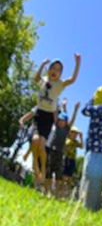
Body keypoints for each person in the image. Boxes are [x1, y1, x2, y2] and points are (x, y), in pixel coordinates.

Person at [31, 55, 81, 188]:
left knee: (41, 143)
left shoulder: (59, 84)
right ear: (49, 70)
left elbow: (73, 79)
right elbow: (35, 78)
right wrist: (42, 64)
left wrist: (77, 63)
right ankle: (36, 165)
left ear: (60, 74)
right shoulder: (44, 79)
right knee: (35, 141)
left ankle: (42, 171)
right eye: (53, 68)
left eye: (58, 70)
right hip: (39, 113)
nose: (55, 71)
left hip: (48, 117)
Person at [79, 86, 102, 211]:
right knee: (96, 181)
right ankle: (93, 207)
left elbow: (84, 110)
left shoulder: (97, 108)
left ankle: (85, 205)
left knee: (87, 177)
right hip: (101, 152)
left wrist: (91, 101)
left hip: (92, 150)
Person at [45, 101, 80, 198]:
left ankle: (57, 194)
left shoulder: (66, 129)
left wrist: (76, 109)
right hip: (52, 151)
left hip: (60, 154)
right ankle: (47, 191)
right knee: (48, 171)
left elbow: (72, 119)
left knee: (58, 174)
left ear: (65, 122)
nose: (60, 122)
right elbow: (55, 113)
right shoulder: (56, 125)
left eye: (62, 121)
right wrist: (56, 103)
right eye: (59, 120)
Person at [62, 125, 83, 198]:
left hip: (72, 160)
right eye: (73, 132)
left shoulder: (76, 142)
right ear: (70, 133)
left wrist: (81, 137)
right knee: (64, 177)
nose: (75, 134)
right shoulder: (66, 139)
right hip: (66, 159)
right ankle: (62, 193)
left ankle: (68, 195)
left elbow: (82, 146)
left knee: (70, 178)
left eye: (76, 133)